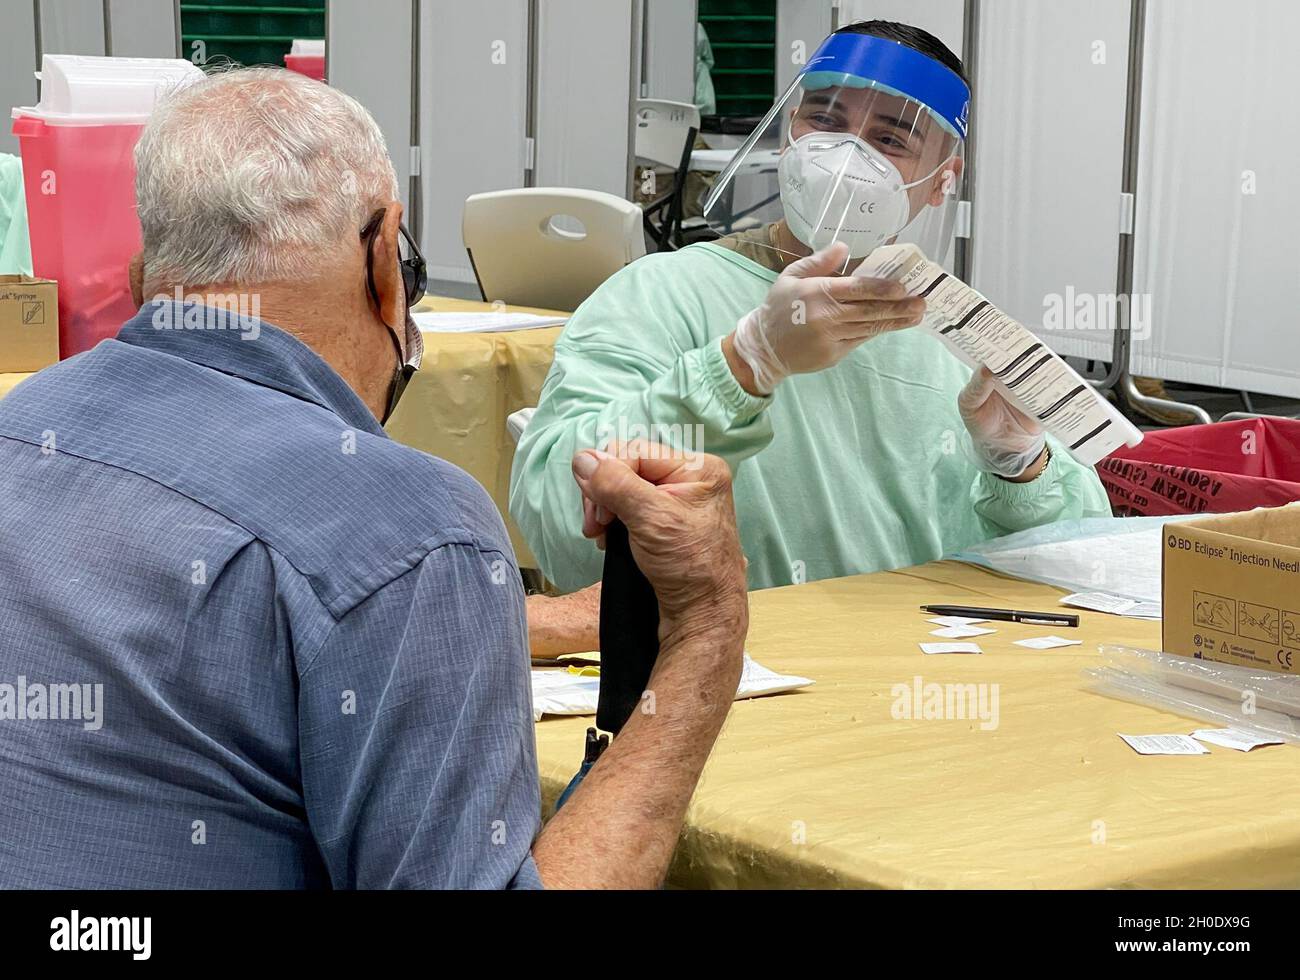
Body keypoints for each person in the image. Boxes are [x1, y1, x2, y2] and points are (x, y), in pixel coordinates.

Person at [0, 67, 748, 889]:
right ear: (386, 256)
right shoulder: (415, 527)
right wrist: (705, 631)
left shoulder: (24, 424)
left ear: (150, 273)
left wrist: (505, 612)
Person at [511, 20, 1111, 593]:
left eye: (889, 140)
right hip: (743, 672)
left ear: (940, 182)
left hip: (925, 660)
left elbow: (1088, 558)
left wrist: (1019, 466)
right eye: (825, 121)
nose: (846, 157)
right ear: (788, 129)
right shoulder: (660, 295)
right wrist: (743, 365)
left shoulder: (958, 339)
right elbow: (560, 527)